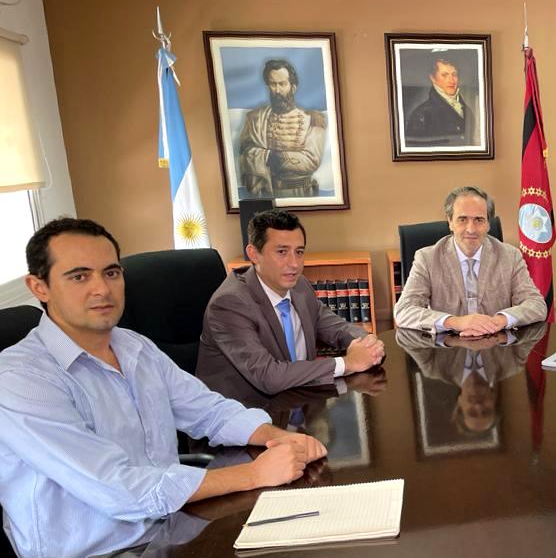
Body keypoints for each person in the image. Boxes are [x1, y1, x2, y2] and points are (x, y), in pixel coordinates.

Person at [0, 218, 328, 558]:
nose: (102, 289)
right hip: (101, 551)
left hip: (170, 528)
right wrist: (253, 474)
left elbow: (208, 410)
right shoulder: (21, 379)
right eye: (79, 276)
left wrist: (277, 437)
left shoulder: (133, 346)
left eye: (111, 273)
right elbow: (119, 489)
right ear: (39, 287)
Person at [197, 209, 384, 395]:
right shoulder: (229, 304)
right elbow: (269, 376)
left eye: (299, 252)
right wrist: (348, 363)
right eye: (282, 252)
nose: (294, 264)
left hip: (299, 399)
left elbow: (338, 328)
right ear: (254, 254)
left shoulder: (299, 286)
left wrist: (366, 344)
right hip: (246, 408)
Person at [393, 186, 547, 335]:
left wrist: (500, 320)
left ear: (488, 224)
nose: (471, 229)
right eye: (462, 219)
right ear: (450, 222)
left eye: (479, 220)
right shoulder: (427, 259)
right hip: (447, 347)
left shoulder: (510, 256)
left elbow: (537, 305)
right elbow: (403, 311)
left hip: (496, 344)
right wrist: (455, 322)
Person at [396, 323, 546, 433]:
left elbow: (406, 340)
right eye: (486, 411)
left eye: (472, 412)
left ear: (459, 404)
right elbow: (535, 333)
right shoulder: (513, 364)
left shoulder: (433, 368)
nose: (479, 406)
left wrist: (450, 335)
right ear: (494, 401)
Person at [238, 59, 327, 198]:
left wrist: (275, 158)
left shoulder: (312, 119)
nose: (277, 90)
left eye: (282, 84)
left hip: (301, 193)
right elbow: (244, 153)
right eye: (273, 84)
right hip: (266, 193)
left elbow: (311, 161)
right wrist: (268, 156)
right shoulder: (255, 119)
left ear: (293, 87)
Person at [404, 56, 472, 146]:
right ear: (433, 78)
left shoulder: (465, 108)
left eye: (454, 74)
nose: (451, 80)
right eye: (444, 75)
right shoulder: (422, 114)